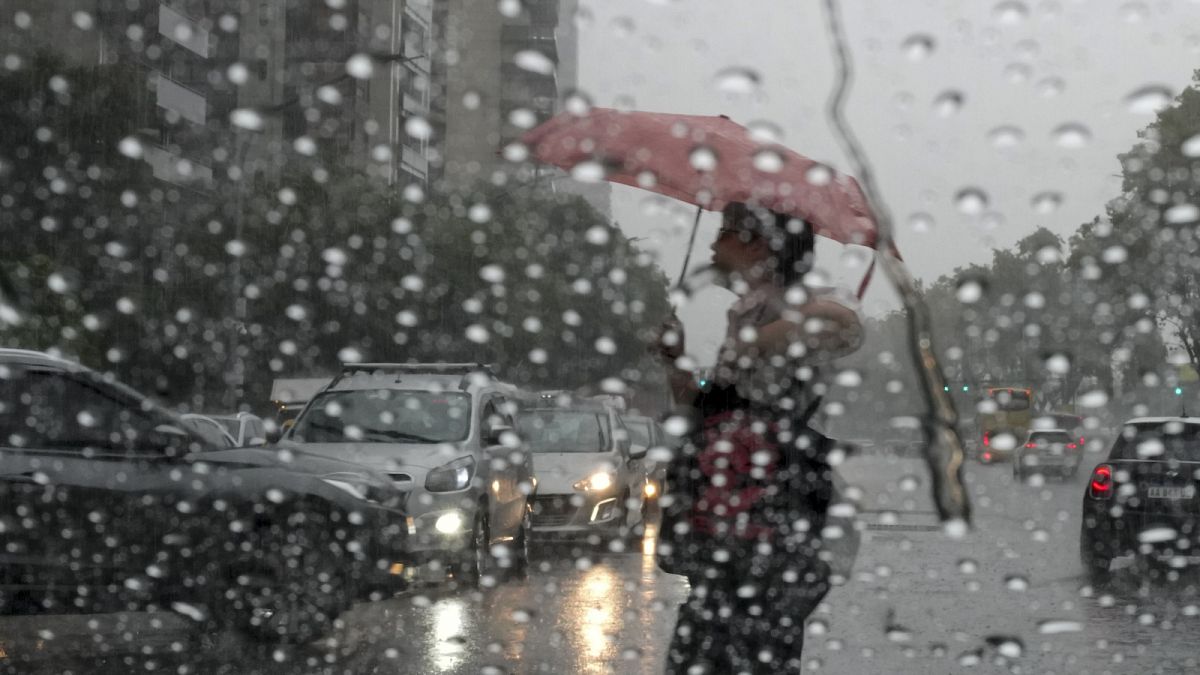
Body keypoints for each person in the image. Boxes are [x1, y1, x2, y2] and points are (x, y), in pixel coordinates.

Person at [655, 201, 863, 674]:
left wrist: (759, 340)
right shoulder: (741, 311)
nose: (712, 243)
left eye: (724, 231)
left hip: (775, 533)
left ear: (759, 241)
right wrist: (674, 361)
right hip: (720, 528)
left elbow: (845, 325)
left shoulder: (802, 297)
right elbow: (706, 413)